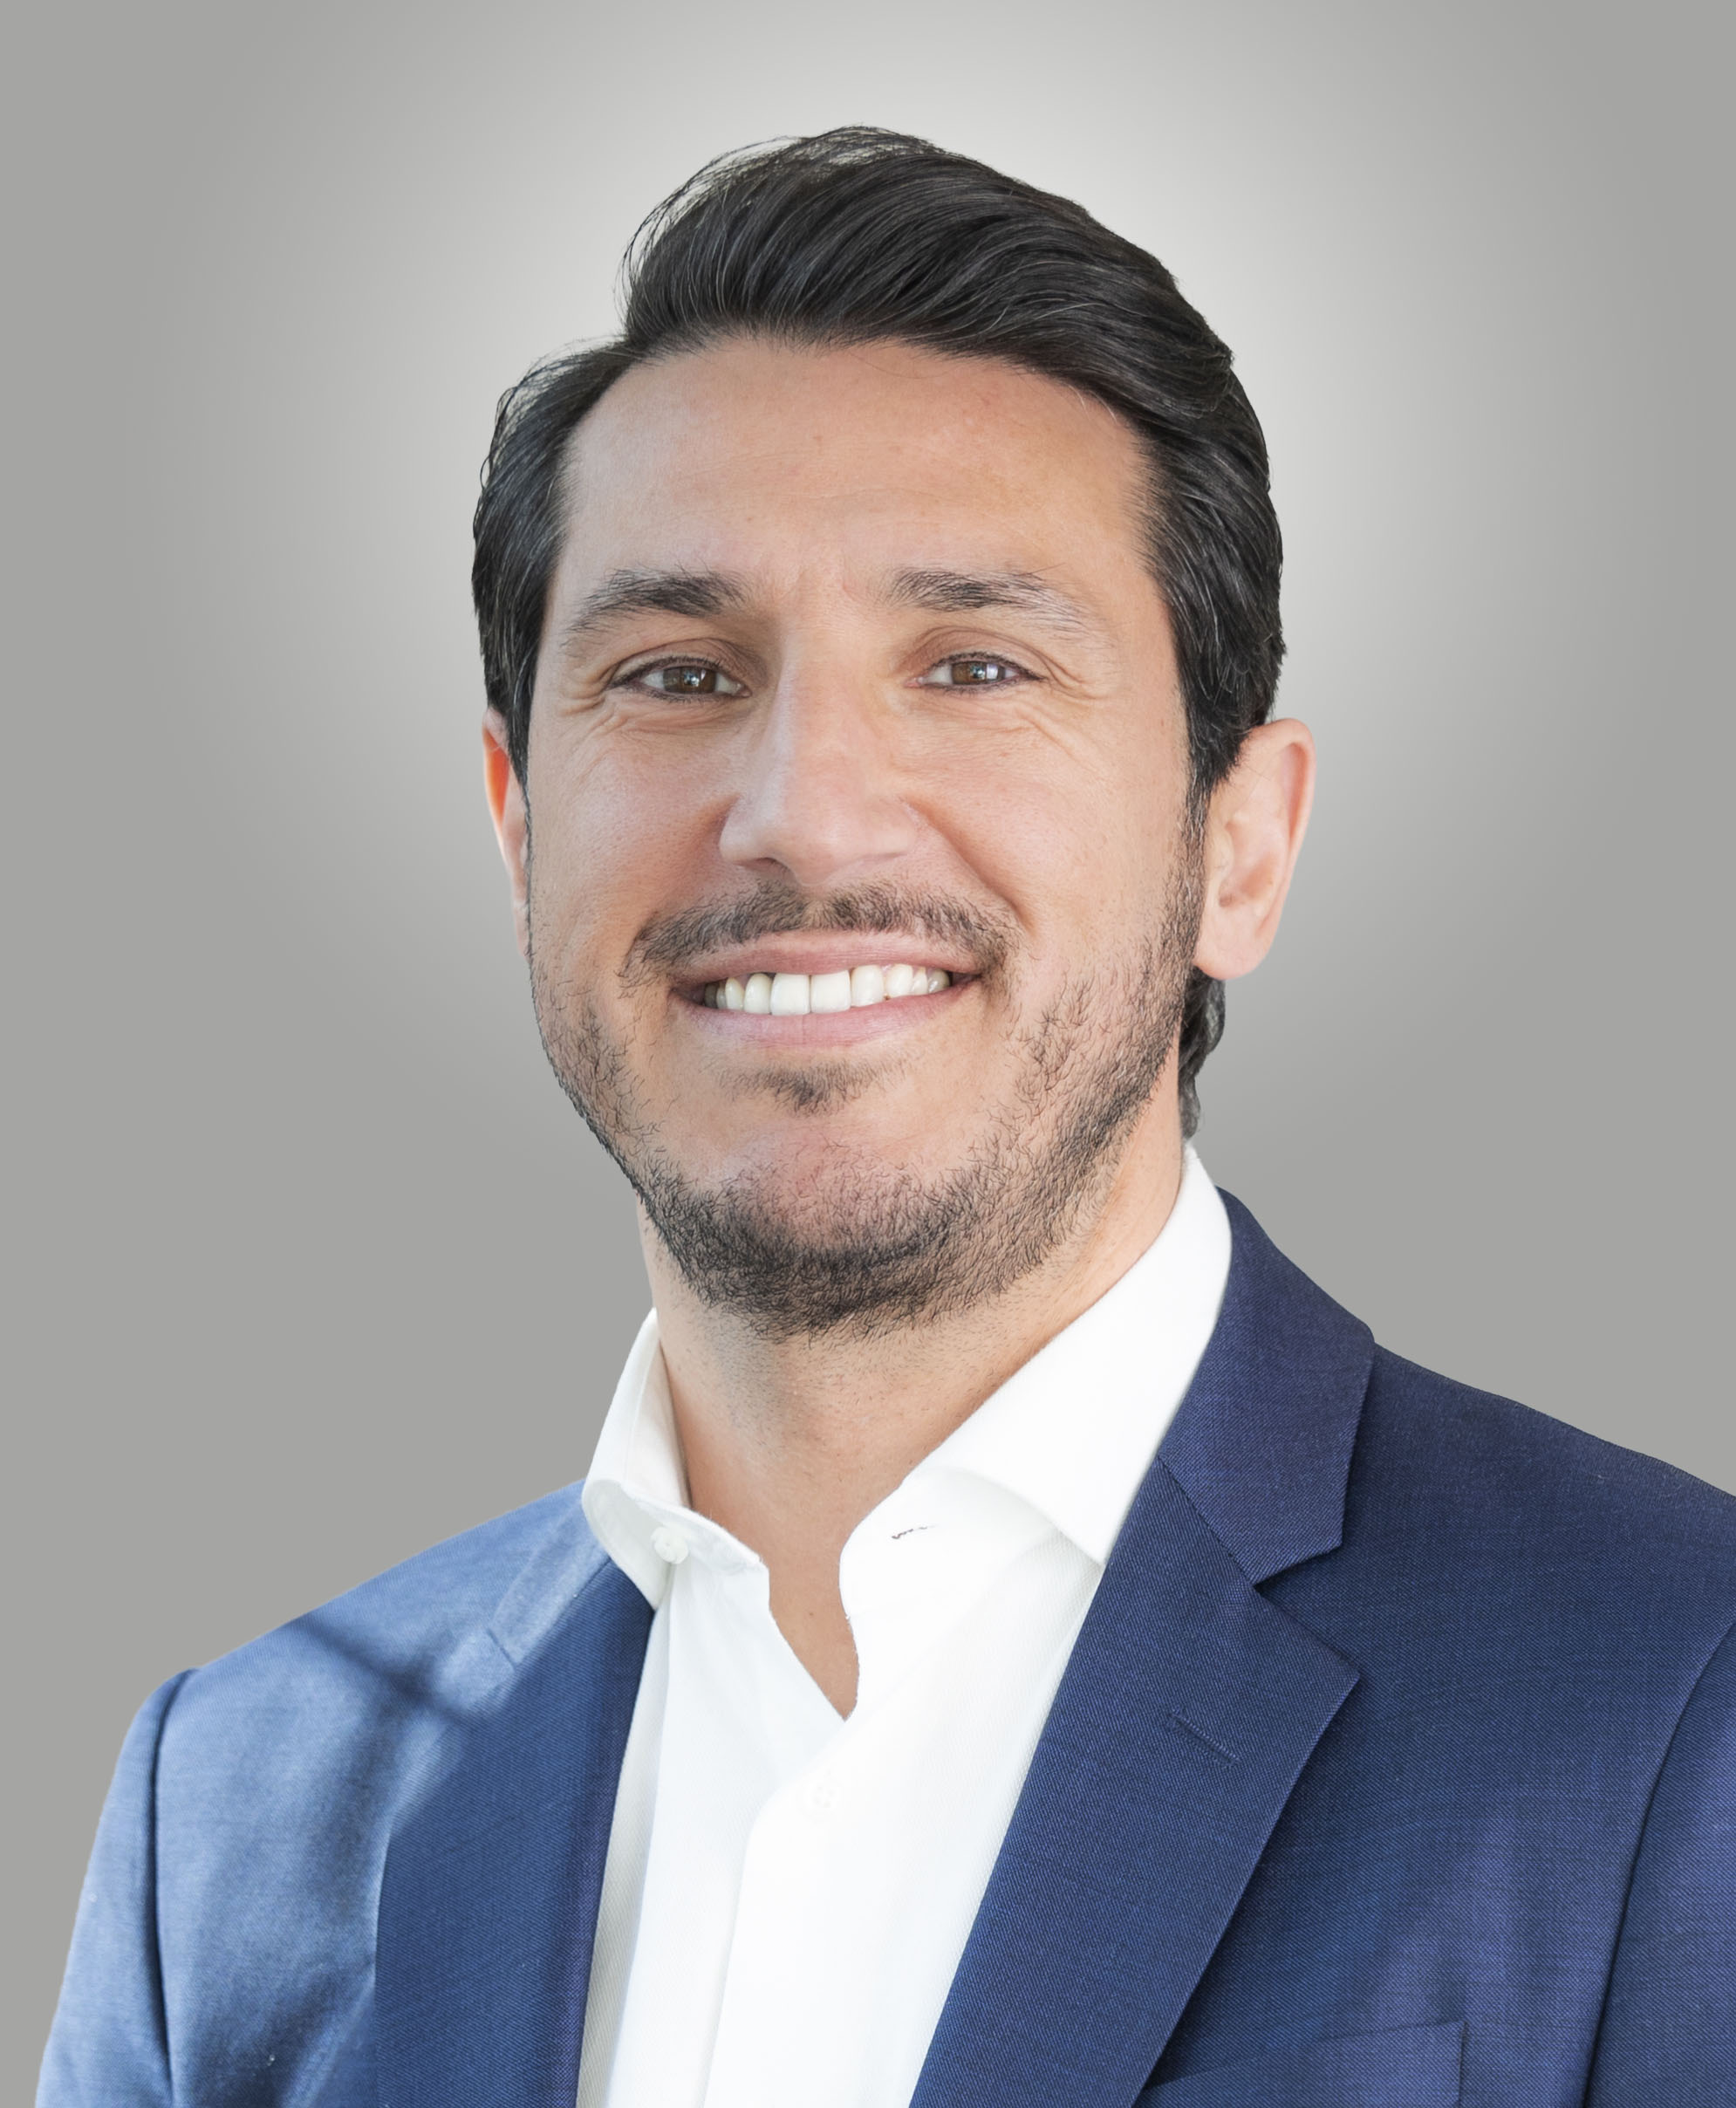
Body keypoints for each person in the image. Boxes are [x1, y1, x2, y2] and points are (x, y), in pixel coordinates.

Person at [39, 128, 1735, 2108]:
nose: (805, 816)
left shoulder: (1674, 1699)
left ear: (1239, 846)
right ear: (517, 832)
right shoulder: (229, 1812)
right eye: (679, 673)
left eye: (975, 665)